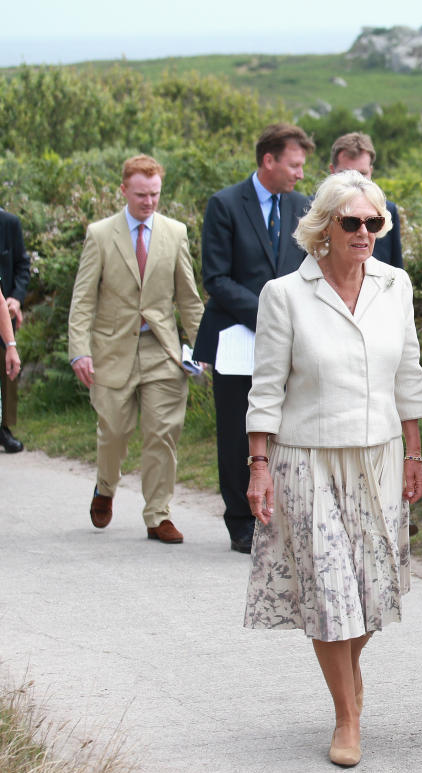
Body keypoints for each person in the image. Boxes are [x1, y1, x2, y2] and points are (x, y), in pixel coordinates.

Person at [242, 170, 422, 769]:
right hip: (307, 460)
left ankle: (347, 675)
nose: (365, 233)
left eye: (374, 222)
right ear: (323, 228)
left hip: (378, 456)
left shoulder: (394, 285)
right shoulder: (284, 295)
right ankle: (347, 718)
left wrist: (415, 451)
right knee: (328, 589)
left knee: (372, 589)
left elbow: (409, 373)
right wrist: (258, 466)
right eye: (351, 222)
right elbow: (265, 390)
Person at [66, 154, 204, 544]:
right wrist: (80, 350)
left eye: (155, 194)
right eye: (141, 194)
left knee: (163, 432)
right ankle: (105, 486)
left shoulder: (175, 233)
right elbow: (83, 300)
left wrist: (203, 346)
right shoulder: (99, 233)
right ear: (124, 190)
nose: (149, 202)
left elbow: (188, 297)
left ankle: (157, 515)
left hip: (162, 348)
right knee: (114, 431)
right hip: (111, 348)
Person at [193, 123, 314, 554]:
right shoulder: (224, 204)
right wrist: (271, 315)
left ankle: (279, 514)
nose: (300, 174)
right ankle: (240, 522)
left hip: (290, 340)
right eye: (294, 165)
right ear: (269, 160)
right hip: (237, 338)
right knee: (237, 431)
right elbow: (216, 278)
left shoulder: (303, 205)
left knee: (285, 428)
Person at [328, 132, 402, 269]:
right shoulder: (313, 210)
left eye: (362, 173)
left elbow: (395, 265)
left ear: (371, 171)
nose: (355, 180)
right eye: (346, 173)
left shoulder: (387, 210)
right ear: (332, 171)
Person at [0, 207, 31, 453]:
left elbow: (22, 264)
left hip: (5, 309)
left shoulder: (9, 223)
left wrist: (16, 298)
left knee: (7, 366)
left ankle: (5, 426)